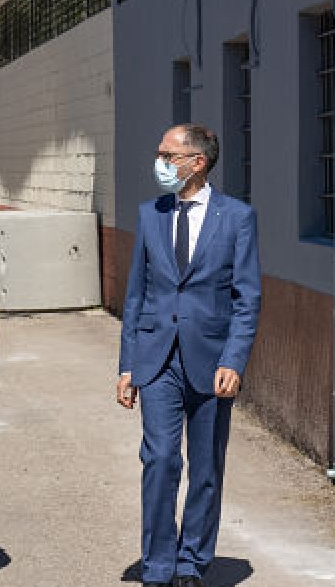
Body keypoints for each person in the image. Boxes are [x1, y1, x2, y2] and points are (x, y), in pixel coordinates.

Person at [117, 124, 261, 587]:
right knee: (159, 458)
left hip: (212, 359)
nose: (159, 163)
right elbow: (136, 294)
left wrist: (234, 361)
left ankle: (192, 562)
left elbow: (247, 297)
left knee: (205, 466)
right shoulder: (150, 214)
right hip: (158, 359)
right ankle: (158, 564)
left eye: (168, 156)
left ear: (197, 162)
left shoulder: (237, 217)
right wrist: (127, 365)